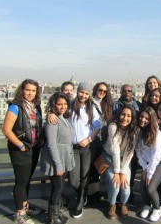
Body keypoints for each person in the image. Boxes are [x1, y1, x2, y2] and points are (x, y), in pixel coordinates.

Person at [2, 79, 43, 224]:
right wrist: (20, 145)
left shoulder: (36, 106)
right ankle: (19, 214)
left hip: (33, 148)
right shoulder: (15, 106)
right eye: (28, 90)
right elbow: (6, 130)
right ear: (22, 90)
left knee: (26, 180)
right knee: (21, 182)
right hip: (21, 150)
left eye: (33, 90)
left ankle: (25, 207)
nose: (30, 93)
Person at [40, 92, 75, 224]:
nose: (63, 106)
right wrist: (58, 165)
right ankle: (53, 217)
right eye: (59, 104)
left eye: (65, 104)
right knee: (58, 187)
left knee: (59, 187)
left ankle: (56, 213)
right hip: (56, 160)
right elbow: (51, 144)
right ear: (54, 105)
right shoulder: (52, 120)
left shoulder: (61, 118)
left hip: (63, 157)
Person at [68, 82, 101, 218]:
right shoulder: (70, 106)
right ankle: (83, 194)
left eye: (86, 93)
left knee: (85, 176)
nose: (84, 95)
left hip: (87, 147)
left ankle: (80, 202)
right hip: (73, 148)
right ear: (78, 91)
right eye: (82, 92)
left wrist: (88, 139)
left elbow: (97, 127)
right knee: (74, 180)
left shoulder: (92, 108)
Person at [103, 105, 138, 219]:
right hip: (109, 158)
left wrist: (123, 172)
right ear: (119, 115)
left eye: (129, 116)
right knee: (115, 184)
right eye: (123, 114)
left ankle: (124, 204)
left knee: (126, 186)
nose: (125, 118)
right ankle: (112, 205)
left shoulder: (134, 130)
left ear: (132, 118)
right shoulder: (113, 126)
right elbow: (115, 150)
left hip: (124, 160)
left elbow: (130, 152)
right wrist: (117, 172)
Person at [136, 107, 161, 222]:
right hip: (147, 162)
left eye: (147, 118)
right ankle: (147, 205)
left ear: (151, 120)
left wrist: (149, 174)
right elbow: (138, 151)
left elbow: (155, 157)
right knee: (142, 186)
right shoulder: (139, 131)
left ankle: (157, 208)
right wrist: (144, 169)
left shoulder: (157, 134)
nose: (143, 120)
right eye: (141, 117)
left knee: (150, 187)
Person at [112, 84, 142, 199]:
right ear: (121, 92)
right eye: (124, 91)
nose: (127, 92)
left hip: (133, 139)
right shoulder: (115, 105)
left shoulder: (138, 105)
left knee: (132, 167)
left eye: (129, 91)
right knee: (118, 165)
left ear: (132, 92)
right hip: (119, 140)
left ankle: (129, 189)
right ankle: (118, 192)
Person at [90, 82, 113, 191]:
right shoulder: (89, 102)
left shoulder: (105, 104)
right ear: (95, 89)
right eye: (100, 90)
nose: (102, 92)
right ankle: (90, 193)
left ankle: (94, 191)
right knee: (90, 167)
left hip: (102, 139)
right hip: (91, 139)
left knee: (98, 166)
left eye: (105, 91)